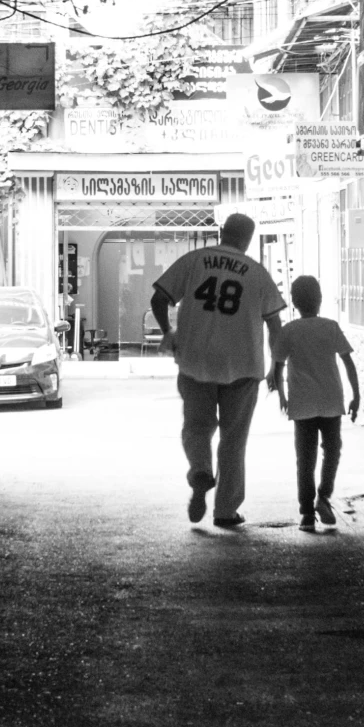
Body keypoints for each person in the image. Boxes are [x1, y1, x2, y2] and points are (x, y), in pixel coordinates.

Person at [151, 213, 286, 528]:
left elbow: (159, 298)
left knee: (197, 428)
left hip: (195, 361)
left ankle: (200, 469)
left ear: (222, 232)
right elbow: (275, 324)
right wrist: (277, 367)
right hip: (243, 367)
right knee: (233, 440)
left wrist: (167, 331)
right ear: (249, 240)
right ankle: (225, 511)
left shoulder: (195, 260)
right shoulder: (257, 273)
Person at [268, 276, 361, 532]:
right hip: (331, 402)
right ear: (320, 300)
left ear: (294, 303)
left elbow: (278, 367)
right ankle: (324, 496)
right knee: (332, 451)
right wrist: (356, 395)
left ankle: (307, 515)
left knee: (305, 459)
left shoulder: (289, 330)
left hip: (302, 404)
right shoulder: (330, 327)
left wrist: (283, 396)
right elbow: (348, 363)